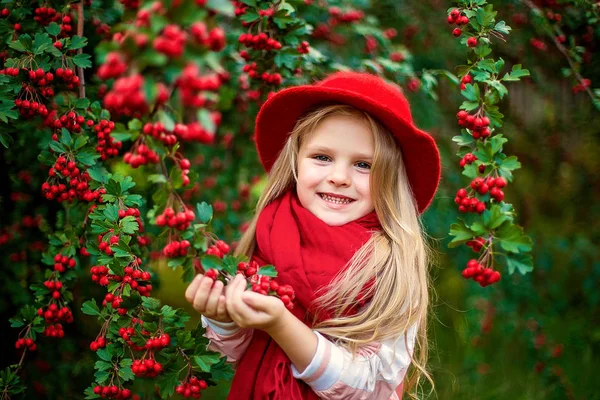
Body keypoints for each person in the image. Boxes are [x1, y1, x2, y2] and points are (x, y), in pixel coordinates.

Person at [185, 71, 441, 399]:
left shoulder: (389, 265)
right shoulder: (269, 236)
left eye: (364, 165)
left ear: (391, 181)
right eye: (322, 157)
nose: (339, 177)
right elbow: (230, 355)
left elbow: (365, 387)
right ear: (295, 163)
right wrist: (223, 320)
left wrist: (282, 325)